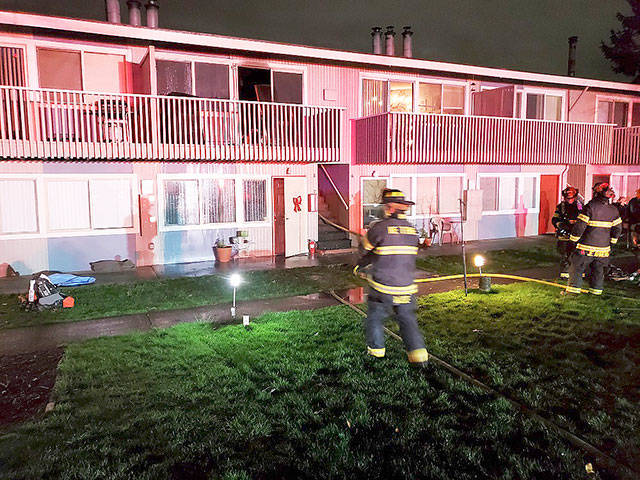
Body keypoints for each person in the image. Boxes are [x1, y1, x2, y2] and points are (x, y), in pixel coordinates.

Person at [354, 188, 428, 366]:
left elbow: (364, 250)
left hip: (383, 287)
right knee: (407, 320)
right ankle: (419, 357)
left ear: (388, 208)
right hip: (406, 287)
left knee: (375, 317)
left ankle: (376, 352)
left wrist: (360, 264)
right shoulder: (412, 231)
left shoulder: (379, 228)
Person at [566, 182, 623, 295]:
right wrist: (611, 243)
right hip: (603, 249)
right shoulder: (614, 210)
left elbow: (579, 227)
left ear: (596, 193)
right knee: (598, 270)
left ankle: (573, 292)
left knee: (577, 268)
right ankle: (596, 292)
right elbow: (618, 229)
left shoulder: (590, 207)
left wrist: (573, 241)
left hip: (585, 247)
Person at [551, 186, 583, 279]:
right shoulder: (561, 206)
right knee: (565, 254)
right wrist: (561, 225)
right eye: (567, 198)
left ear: (575, 197)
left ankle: (578, 273)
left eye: (571, 198)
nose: (569, 200)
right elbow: (554, 219)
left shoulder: (580, 206)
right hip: (564, 235)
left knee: (577, 255)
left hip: (576, 234)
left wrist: (576, 223)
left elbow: (583, 219)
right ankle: (565, 273)